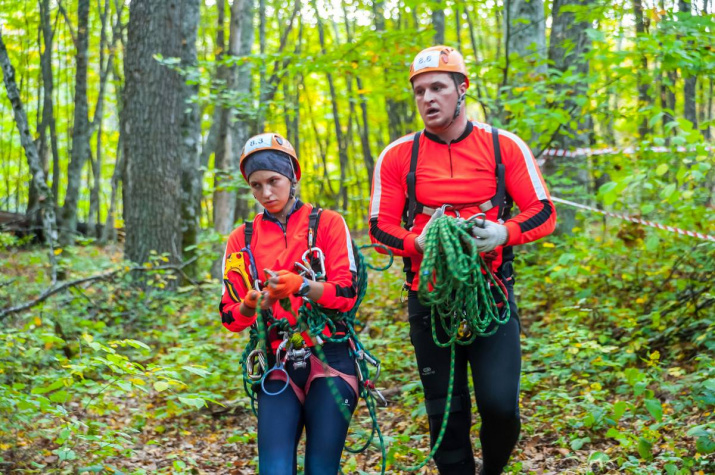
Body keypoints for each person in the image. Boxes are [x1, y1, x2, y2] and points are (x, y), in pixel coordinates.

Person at [368, 46, 556, 474]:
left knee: (500, 406)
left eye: (437, 87)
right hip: (430, 302)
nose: (427, 99)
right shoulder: (399, 156)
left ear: (462, 89)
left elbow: (543, 212)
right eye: (419, 91)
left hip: (490, 296)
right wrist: (423, 243)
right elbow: (380, 228)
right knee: (446, 417)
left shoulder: (503, 146)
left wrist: (502, 233)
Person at [219, 132, 360, 475]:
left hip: (331, 354)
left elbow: (347, 292)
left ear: (292, 177)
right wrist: (251, 305)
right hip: (278, 358)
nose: (266, 193)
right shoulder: (242, 238)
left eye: (273, 181)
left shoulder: (327, 223)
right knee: (274, 470)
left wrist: (303, 286)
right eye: (256, 186)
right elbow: (229, 316)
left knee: (321, 469)